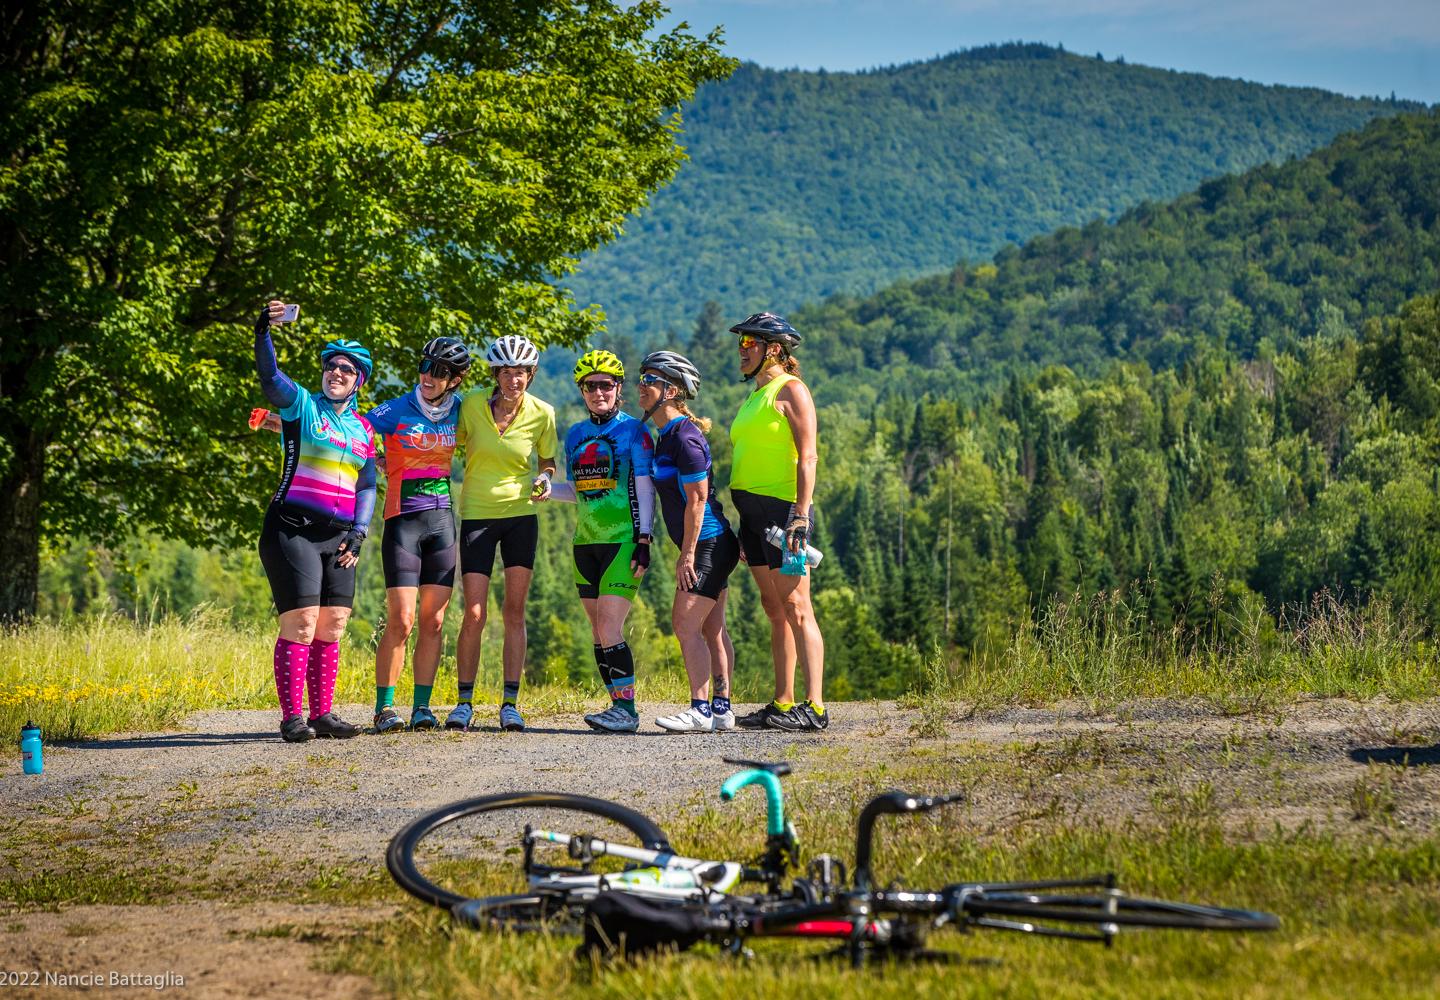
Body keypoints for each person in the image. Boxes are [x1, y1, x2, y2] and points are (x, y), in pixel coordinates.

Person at [252, 299, 376, 743]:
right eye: (331, 366)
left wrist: (360, 534)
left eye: (346, 369)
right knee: (302, 623)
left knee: (333, 624)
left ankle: (323, 714)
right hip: (292, 529)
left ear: (358, 380)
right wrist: (263, 330)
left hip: (340, 537)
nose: (336, 373)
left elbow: (367, 486)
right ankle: (292, 718)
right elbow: (271, 378)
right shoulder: (302, 406)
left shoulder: (364, 430)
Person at [539, 350, 656, 734]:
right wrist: (545, 490)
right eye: (591, 386)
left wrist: (645, 538)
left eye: (606, 385)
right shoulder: (575, 434)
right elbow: (579, 491)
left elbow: (643, 486)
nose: (598, 392)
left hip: (623, 540)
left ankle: (628, 711)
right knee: (597, 632)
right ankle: (615, 707)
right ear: (582, 391)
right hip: (584, 542)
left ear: (618, 388)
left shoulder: (634, 432)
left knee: (610, 627)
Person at [451, 335, 558, 733]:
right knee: (474, 613)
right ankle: (464, 702)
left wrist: (545, 478)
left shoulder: (543, 412)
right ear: (496, 375)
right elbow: (447, 444)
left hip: (520, 516)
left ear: (531, 375)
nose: (516, 380)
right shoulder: (472, 405)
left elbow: (547, 460)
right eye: (508, 373)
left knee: (514, 612)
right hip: (477, 514)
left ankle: (510, 703)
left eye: (523, 373)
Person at [727, 313, 828, 732]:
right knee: (774, 609)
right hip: (752, 517)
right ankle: (784, 702)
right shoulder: (756, 393)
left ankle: (816, 707)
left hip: (781, 514)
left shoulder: (791, 390)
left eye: (749, 342)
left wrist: (800, 516)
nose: (741, 350)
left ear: (773, 348)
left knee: (796, 606)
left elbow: (808, 456)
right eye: (740, 344)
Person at [364, 338, 470, 733]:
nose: (429, 375)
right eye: (426, 365)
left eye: (440, 371)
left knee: (434, 621)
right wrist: (286, 423)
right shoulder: (396, 409)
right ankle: (384, 708)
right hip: (402, 521)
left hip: (442, 522)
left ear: (455, 380)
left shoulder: (461, 410)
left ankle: (422, 707)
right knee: (402, 619)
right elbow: (350, 430)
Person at [634, 351, 739, 732]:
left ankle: (700, 708)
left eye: (650, 379)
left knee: (684, 623)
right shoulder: (667, 437)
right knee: (712, 628)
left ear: (672, 389)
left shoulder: (685, 438)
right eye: (642, 377)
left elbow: (698, 499)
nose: (641, 385)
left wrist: (688, 554)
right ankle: (722, 708)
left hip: (707, 543)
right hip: (714, 541)